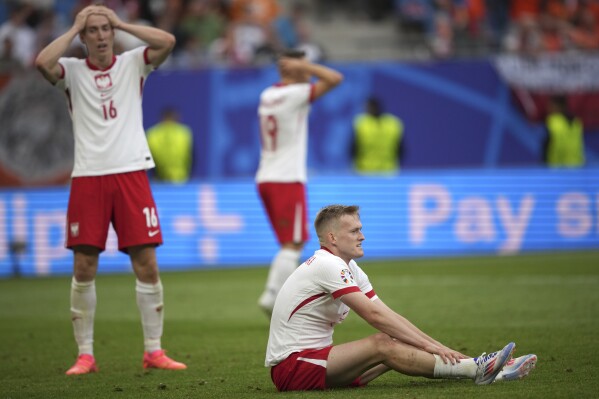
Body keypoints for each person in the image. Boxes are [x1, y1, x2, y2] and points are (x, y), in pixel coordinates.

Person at [35, 5, 186, 375]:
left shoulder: (134, 63)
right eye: (94, 30)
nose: (101, 35)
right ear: (84, 38)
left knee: (146, 263)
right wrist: (73, 27)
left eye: (106, 29)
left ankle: (154, 350)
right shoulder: (70, 71)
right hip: (89, 176)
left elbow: (167, 40)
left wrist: (120, 22)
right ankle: (85, 354)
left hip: (132, 173)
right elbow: (42, 62)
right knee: (84, 265)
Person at [265, 204, 538, 391]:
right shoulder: (327, 264)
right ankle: (477, 368)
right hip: (293, 367)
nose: (363, 236)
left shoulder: (350, 267)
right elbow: (374, 317)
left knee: (394, 344)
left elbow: (389, 315)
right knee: (383, 343)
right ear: (332, 237)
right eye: (355, 231)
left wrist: (440, 347)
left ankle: (484, 368)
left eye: (360, 229)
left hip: (317, 362)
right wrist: (433, 347)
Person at [255, 50, 343, 315]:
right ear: (293, 68)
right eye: (303, 67)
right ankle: (272, 298)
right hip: (286, 178)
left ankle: (278, 295)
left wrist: (297, 67)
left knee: (290, 242)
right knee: (293, 243)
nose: (309, 72)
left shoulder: (267, 94)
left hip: (266, 176)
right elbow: (335, 78)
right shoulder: (295, 94)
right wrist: (306, 65)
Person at [351, 97, 403, 174]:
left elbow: (353, 149)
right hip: (388, 171)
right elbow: (401, 150)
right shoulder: (393, 123)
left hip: (365, 172)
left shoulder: (361, 123)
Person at [146, 107, 193, 183]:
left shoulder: (152, 134)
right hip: (182, 181)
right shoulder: (185, 133)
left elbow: (148, 159)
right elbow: (192, 157)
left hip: (160, 181)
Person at [544, 95, 585, 167]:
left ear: (558, 106)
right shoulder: (576, 122)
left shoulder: (552, 121)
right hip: (577, 166)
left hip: (557, 168)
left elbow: (546, 146)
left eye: (551, 105)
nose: (549, 108)